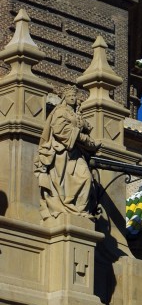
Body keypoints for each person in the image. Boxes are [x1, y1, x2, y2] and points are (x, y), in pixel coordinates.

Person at [36, 88, 99, 219]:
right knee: (62, 185)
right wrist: (81, 136)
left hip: (76, 153)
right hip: (62, 153)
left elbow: (86, 128)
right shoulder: (60, 112)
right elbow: (59, 130)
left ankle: (80, 210)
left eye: (74, 96)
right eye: (69, 95)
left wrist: (84, 127)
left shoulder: (76, 114)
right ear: (64, 98)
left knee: (86, 177)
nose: (72, 98)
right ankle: (66, 207)